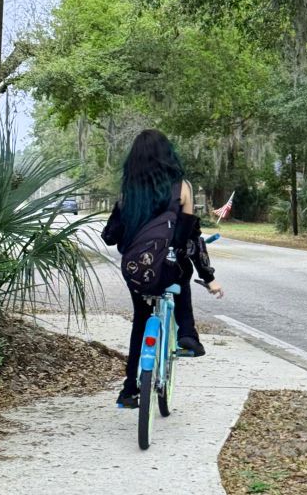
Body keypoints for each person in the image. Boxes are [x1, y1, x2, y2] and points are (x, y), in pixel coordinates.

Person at [101, 129, 224, 408]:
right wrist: (209, 277)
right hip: (168, 268)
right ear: (168, 155)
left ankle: (129, 389)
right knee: (180, 273)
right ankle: (188, 335)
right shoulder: (182, 187)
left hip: (135, 270)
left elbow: (110, 236)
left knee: (140, 321)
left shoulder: (128, 190)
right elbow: (191, 238)